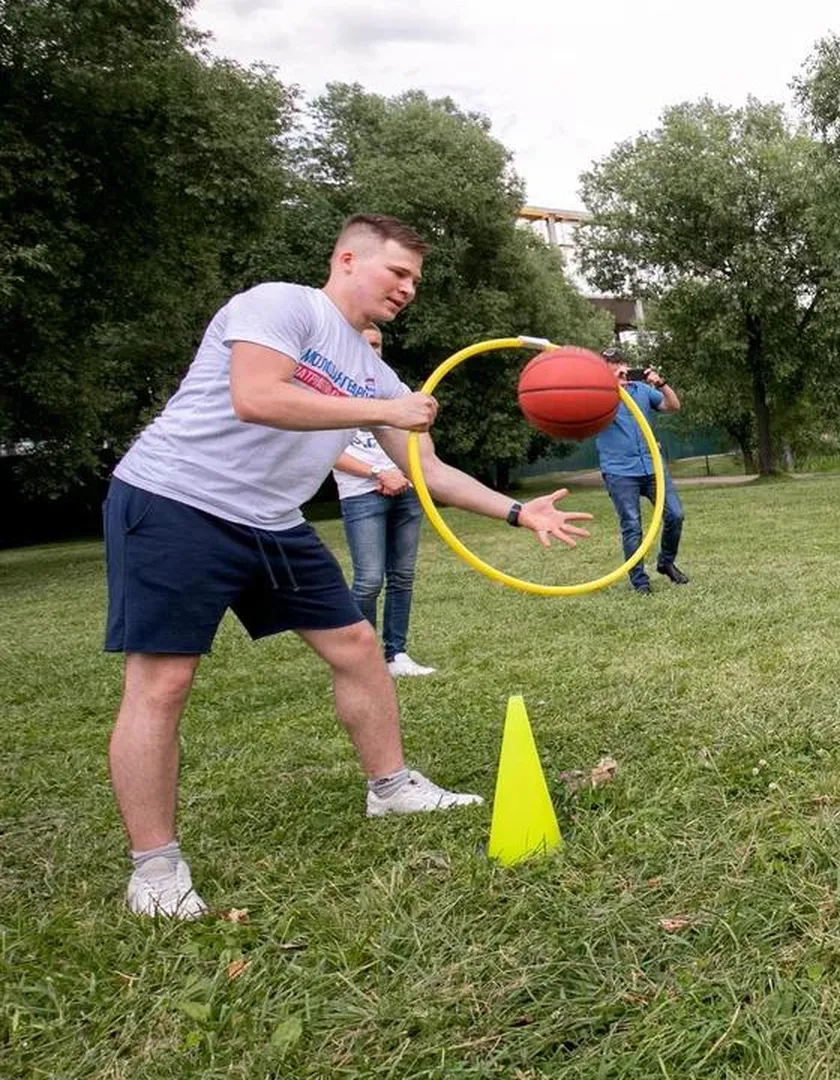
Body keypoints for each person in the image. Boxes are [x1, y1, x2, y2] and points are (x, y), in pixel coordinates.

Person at [105, 214, 591, 919]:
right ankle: (154, 870)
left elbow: (427, 469)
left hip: (271, 519)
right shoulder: (281, 305)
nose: (408, 289)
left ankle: (389, 787)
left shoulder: (372, 370)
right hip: (178, 500)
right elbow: (258, 396)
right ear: (347, 258)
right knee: (164, 679)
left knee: (359, 645)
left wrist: (520, 513)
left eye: (416, 280)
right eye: (398, 273)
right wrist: (383, 404)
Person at [331, 327, 435, 677]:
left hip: (405, 488)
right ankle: (362, 660)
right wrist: (379, 473)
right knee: (369, 580)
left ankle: (397, 654)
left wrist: (407, 473)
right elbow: (330, 452)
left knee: (402, 576)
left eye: (376, 344)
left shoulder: (394, 390)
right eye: (363, 343)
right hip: (361, 494)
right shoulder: (334, 389)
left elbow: (417, 439)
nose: (370, 349)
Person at [596, 351, 688, 592]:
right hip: (620, 471)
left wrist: (661, 384)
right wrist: (608, 386)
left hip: (652, 465)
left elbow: (673, 405)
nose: (622, 373)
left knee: (675, 515)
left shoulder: (641, 390)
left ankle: (665, 563)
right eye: (614, 369)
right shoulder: (598, 396)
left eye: (623, 368)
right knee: (632, 525)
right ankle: (640, 582)